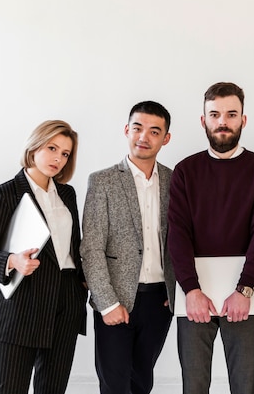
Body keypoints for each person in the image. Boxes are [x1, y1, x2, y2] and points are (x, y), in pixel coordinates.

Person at [168, 82, 254, 394]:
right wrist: (191, 289)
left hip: (245, 292)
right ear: (203, 121)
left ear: (243, 120)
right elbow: (178, 234)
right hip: (194, 294)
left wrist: (245, 289)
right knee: (194, 386)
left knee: (244, 387)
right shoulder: (186, 171)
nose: (222, 122)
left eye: (231, 114)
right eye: (215, 114)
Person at [0, 120, 87, 394]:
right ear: (34, 147)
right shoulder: (5, 193)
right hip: (21, 305)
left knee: (52, 389)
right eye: (52, 148)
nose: (58, 158)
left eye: (65, 154)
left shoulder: (67, 194)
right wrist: (13, 261)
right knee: (9, 389)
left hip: (65, 302)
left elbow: (72, 247)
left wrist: (82, 284)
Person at [80, 101, 175, 394]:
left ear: (165, 138)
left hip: (160, 301)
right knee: (114, 384)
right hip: (115, 300)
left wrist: (176, 292)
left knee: (142, 381)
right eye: (137, 128)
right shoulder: (102, 181)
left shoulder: (175, 181)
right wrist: (106, 301)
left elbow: (182, 241)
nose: (143, 137)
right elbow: (91, 247)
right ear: (127, 130)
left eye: (154, 131)